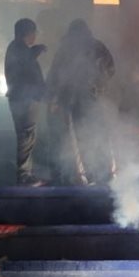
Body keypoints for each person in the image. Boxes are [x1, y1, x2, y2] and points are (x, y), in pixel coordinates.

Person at [46, 19, 115, 186]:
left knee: (78, 137)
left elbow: (55, 74)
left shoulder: (66, 48)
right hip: (91, 98)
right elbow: (111, 68)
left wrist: (54, 97)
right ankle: (104, 173)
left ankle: (86, 175)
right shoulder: (97, 46)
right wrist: (100, 84)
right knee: (98, 134)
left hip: (74, 99)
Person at [4, 18, 48, 186]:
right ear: (28, 33)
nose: (35, 36)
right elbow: (25, 63)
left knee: (27, 136)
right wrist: (37, 50)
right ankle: (24, 175)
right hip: (24, 100)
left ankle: (26, 173)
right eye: (34, 33)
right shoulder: (18, 49)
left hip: (23, 99)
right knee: (26, 136)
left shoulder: (17, 48)